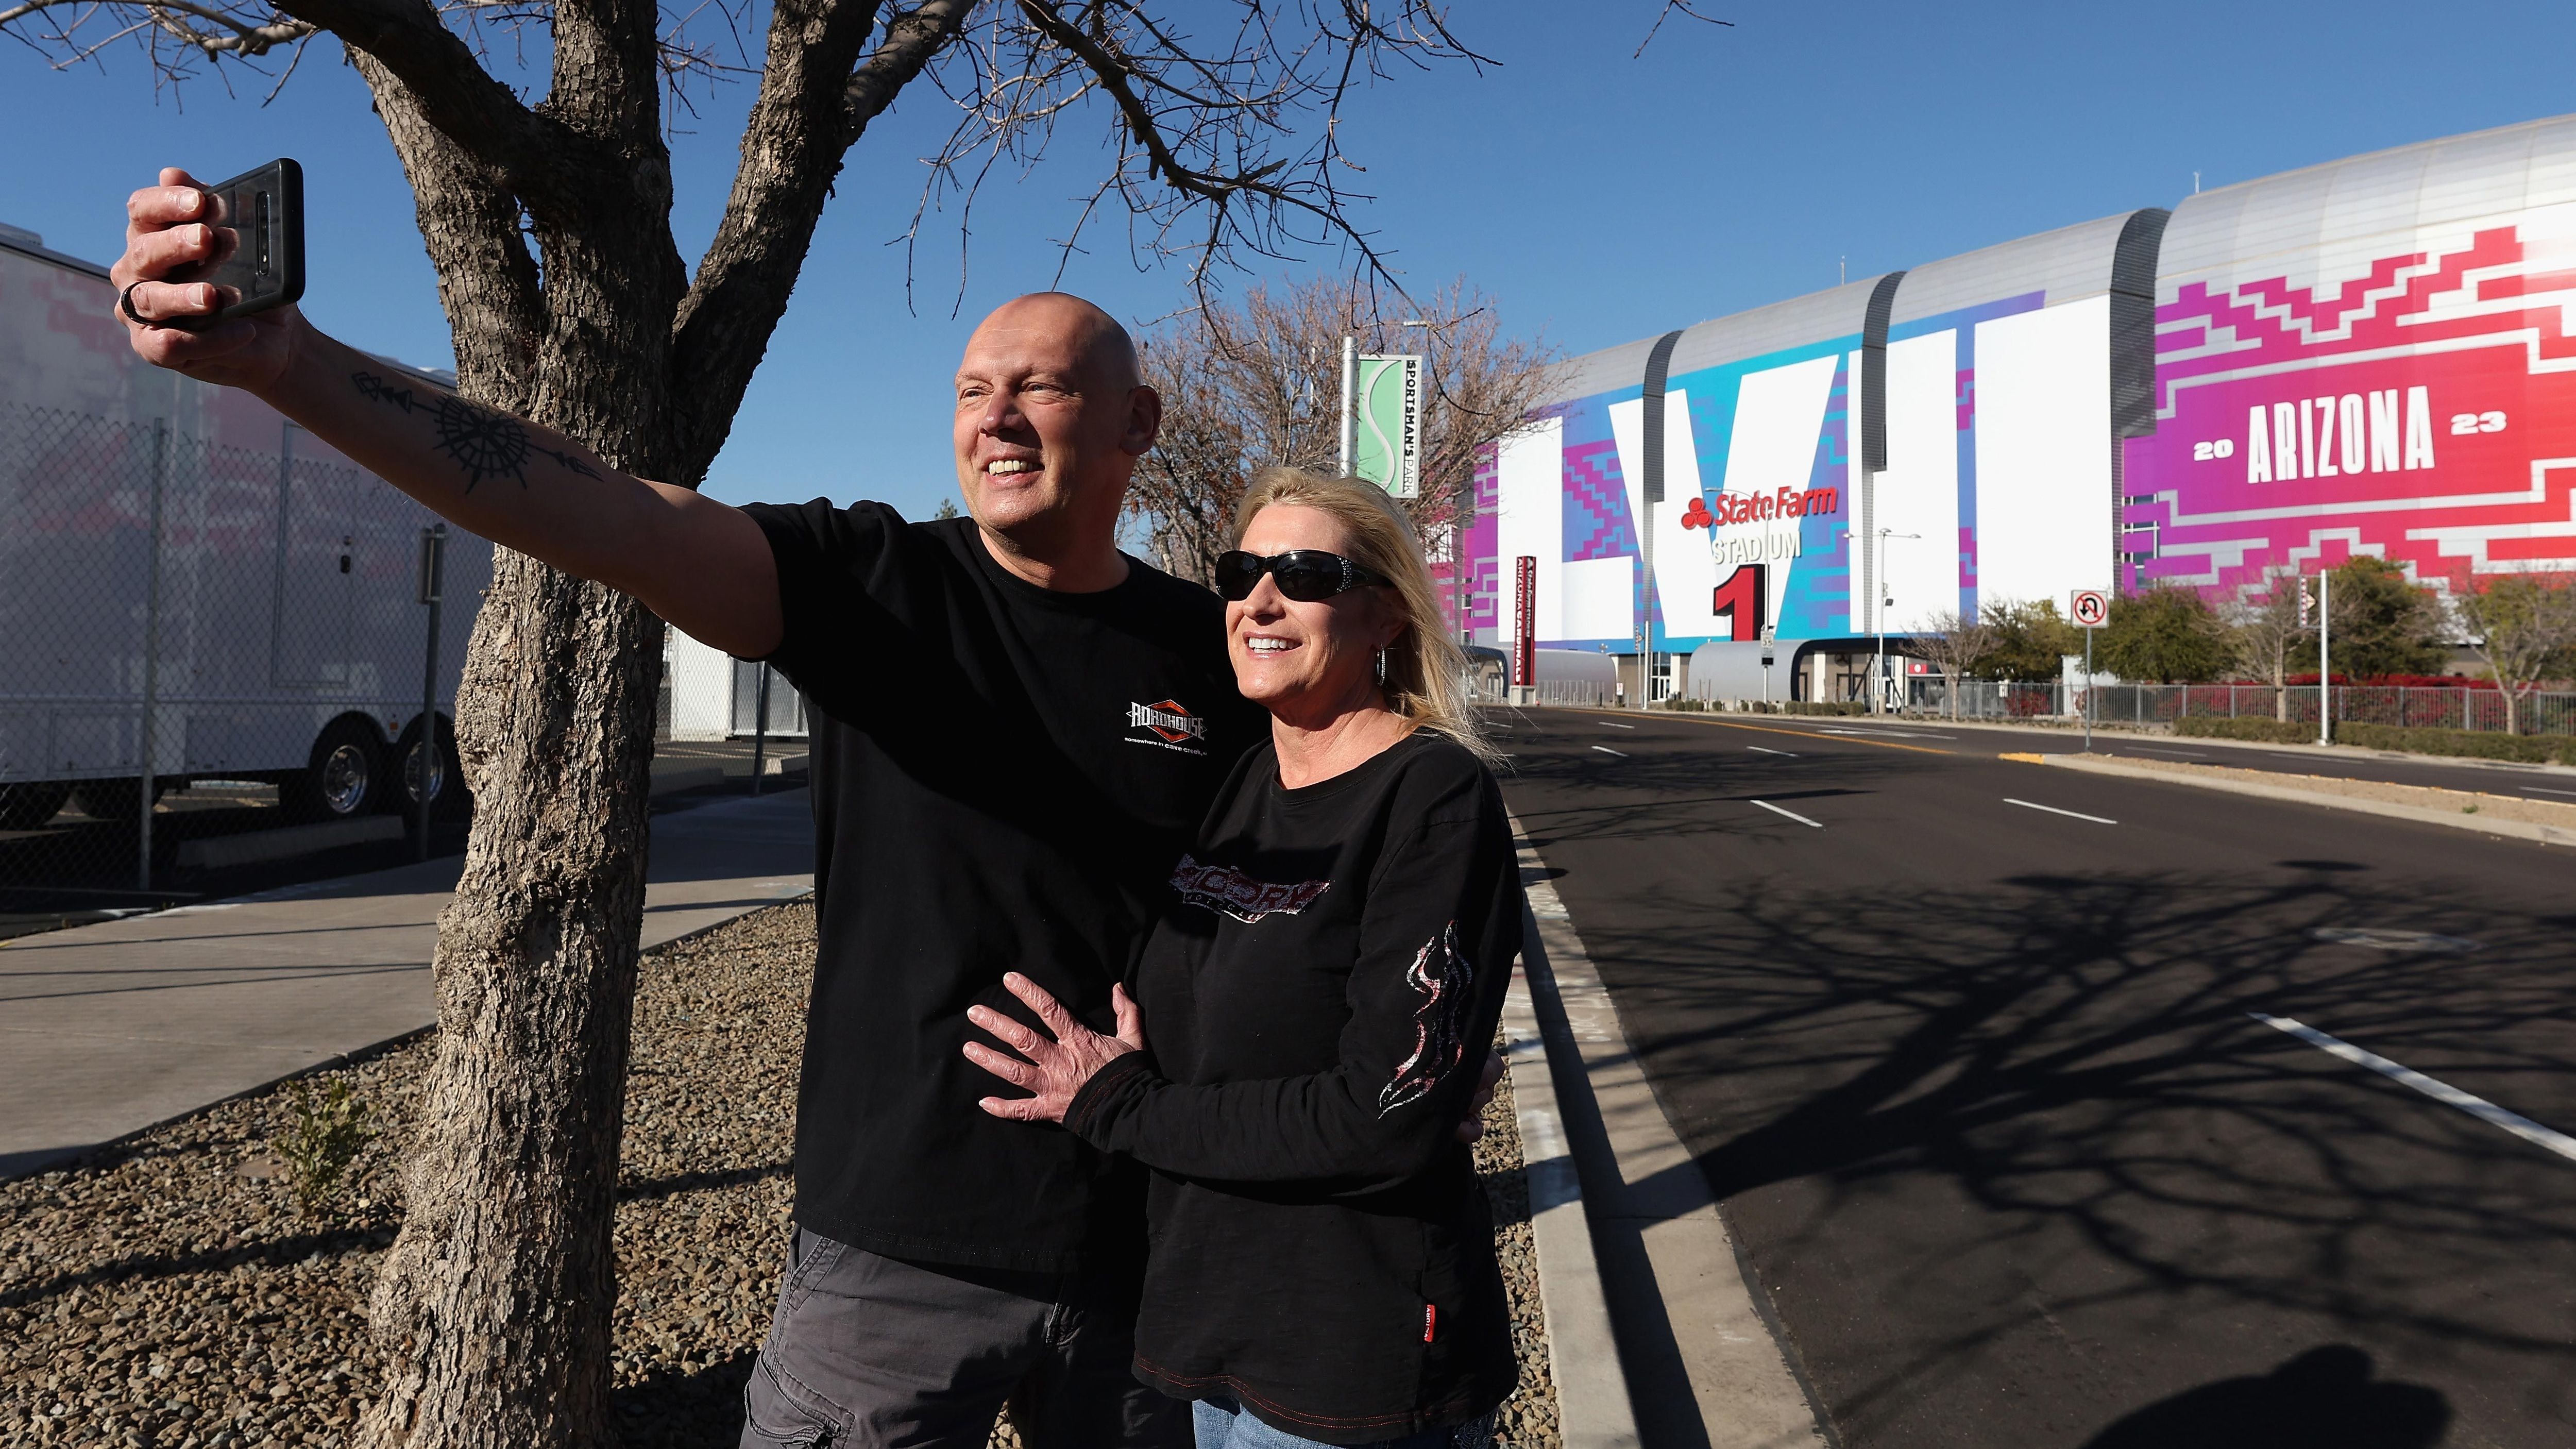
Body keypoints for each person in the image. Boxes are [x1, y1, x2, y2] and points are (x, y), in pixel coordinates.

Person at [111, 167, 1267, 1446]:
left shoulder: (1215, 649)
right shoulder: (876, 583)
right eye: (969, 390)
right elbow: (606, 509)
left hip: (1153, 1234)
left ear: (1137, 421)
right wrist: (293, 363)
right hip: (899, 1245)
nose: (995, 417)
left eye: (1040, 385)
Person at [960, 467, 1524, 1449]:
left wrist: (1121, 1105)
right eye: (1242, 571)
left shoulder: (1433, 798)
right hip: (1205, 1329)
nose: (1259, 599)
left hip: (1350, 1360)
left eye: (1304, 574)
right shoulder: (1240, 784)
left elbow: (1381, 1117)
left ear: (1386, 614)